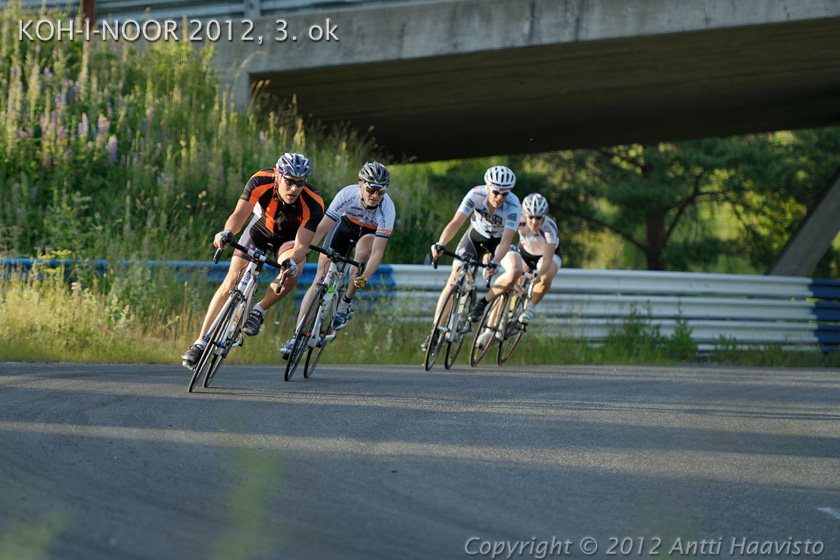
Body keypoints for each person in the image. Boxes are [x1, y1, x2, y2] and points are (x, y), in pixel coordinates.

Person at [180, 152, 325, 368]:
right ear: (278, 176)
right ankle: (199, 343)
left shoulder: (313, 202)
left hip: (288, 240)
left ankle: (258, 310)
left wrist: (290, 261)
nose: (294, 188)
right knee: (230, 282)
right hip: (260, 229)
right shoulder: (260, 180)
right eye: (289, 182)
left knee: (293, 270)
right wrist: (226, 233)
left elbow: (301, 247)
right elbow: (239, 216)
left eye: (300, 183)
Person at [280, 161, 396, 358]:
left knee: (360, 257)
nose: (375, 195)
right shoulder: (347, 195)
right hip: (344, 227)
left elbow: (377, 252)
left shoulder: (387, 208)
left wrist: (365, 275)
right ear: (361, 185)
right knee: (319, 279)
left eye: (380, 191)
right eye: (371, 189)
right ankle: (296, 337)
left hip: (368, 235)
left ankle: (345, 302)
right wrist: (303, 252)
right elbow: (323, 227)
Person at [424, 165, 522, 351]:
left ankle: (480, 304)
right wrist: (441, 243)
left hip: (499, 242)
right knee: (454, 278)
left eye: (505, 194)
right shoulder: (475, 195)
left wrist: (495, 261)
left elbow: (506, 241)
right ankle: (435, 331)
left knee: (512, 267)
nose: (500, 197)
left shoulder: (514, 206)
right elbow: (456, 223)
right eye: (496, 192)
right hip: (475, 236)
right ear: (487, 187)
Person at [474, 192, 561, 349]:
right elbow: (501, 239)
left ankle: (530, 306)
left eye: (539, 218)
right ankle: (488, 330)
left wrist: (538, 275)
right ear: (525, 214)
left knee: (545, 276)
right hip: (525, 252)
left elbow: (548, 259)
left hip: (547, 255)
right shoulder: (517, 218)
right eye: (531, 217)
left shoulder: (550, 227)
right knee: (508, 286)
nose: (534, 221)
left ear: (545, 216)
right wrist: (490, 254)